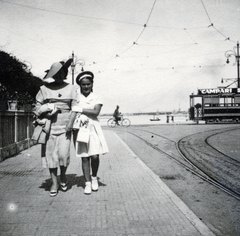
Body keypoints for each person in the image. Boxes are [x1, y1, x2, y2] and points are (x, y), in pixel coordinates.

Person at [33, 59, 78, 197]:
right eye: (56, 74)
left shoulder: (72, 88)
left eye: (61, 73)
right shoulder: (44, 89)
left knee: (63, 155)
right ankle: (54, 182)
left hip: (66, 126)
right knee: (51, 156)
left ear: (65, 73)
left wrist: (70, 124)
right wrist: (47, 109)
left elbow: (75, 108)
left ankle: (63, 177)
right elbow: (36, 108)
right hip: (49, 126)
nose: (59, 76)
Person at [68, 71, 109, 195]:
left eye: (88, 84)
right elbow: (72, 111)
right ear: (80, 85)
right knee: (85, 157)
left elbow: (96, 112)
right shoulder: (76, 97)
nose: (86, 87)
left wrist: (80, 109)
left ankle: (94, 177)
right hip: (80, 129)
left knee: (95, 156)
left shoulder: (97, 97)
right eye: (83, 84)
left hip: (93, 128)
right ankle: (87, 183)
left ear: (92, 84)